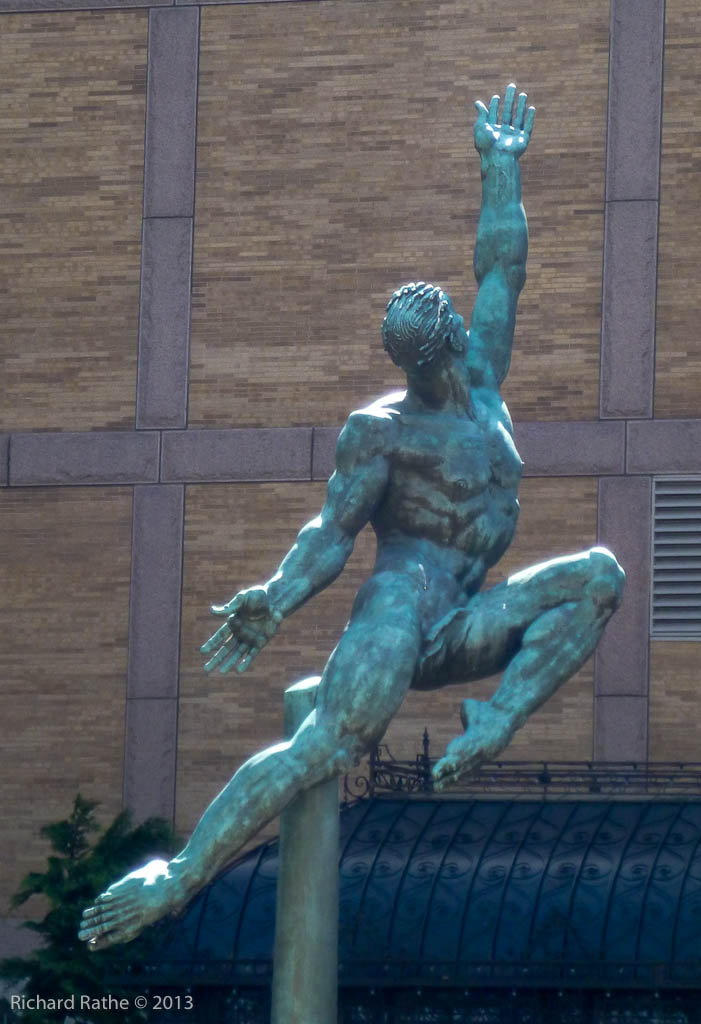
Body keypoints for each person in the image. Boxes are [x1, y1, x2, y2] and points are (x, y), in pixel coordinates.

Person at [79, 84, 623, 950]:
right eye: (412, 364)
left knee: (598, 577)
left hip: (469, 614)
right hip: (400, 609)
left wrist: (499, 167)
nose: (425, 372)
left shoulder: (482, 380)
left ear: (448, 341)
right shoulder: (380, 431)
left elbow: (501, 267)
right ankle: (177, 879)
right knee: (325, 747)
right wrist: (276, 596)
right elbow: (330, 533)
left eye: (430, 356)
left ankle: (495, 720)